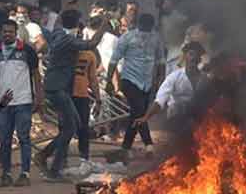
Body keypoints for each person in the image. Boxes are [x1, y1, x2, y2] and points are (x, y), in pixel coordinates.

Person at [34, 10, 103, 181]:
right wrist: (104, 25)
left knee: (73, 126)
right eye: (80, 22)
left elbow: (59, 21)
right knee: (70, 128)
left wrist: (67, 11)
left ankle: (48, 160)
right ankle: (49, 163)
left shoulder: (58, 33)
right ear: (76, 23)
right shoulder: (68, 40)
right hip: (57, 88)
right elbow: (93, 43)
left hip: (55, 86)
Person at [105, 13, 165, 157]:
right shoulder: (127, 37)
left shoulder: (156, 39)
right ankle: (149, 145)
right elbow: (114, 60)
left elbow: (161, 61)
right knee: (140, 112)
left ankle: (126, 147)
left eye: (148, 28)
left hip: (147, 83)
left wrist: (160, 80)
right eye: (144, 27)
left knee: (135, 114)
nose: (146, 31)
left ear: (151, 27)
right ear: (139, 25)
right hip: (130, 80)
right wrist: (109, 81)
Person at [0, 20, 42, 187]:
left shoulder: (27, 50)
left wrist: (39, 97)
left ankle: (25, 174)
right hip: (3, 103)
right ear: (1, 33)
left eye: (10, 32)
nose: (7, 34)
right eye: (5, 31)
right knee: (4, 140)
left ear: (16, 33)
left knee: (24, 138)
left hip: (23, 100)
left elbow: (36, 74)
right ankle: (6, 173)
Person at [136, 41, 206, 126]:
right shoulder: (174, 77)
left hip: (197, 117)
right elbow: (159, 101)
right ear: (185, 56)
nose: (194, 58)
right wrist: (145, 118)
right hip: (177, 117)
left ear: (199, 59)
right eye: (191, 54)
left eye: (197, 55)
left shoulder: (205, 79)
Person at [70, 33, 102, 165]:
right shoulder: (68, 52)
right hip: (70, 95)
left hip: (79, 95)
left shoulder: (89, 55)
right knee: (72, 128)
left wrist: (98, 99)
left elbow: (93, 80)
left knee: (81, 128)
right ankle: (65, 159)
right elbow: (93, 80)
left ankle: (84, 158)